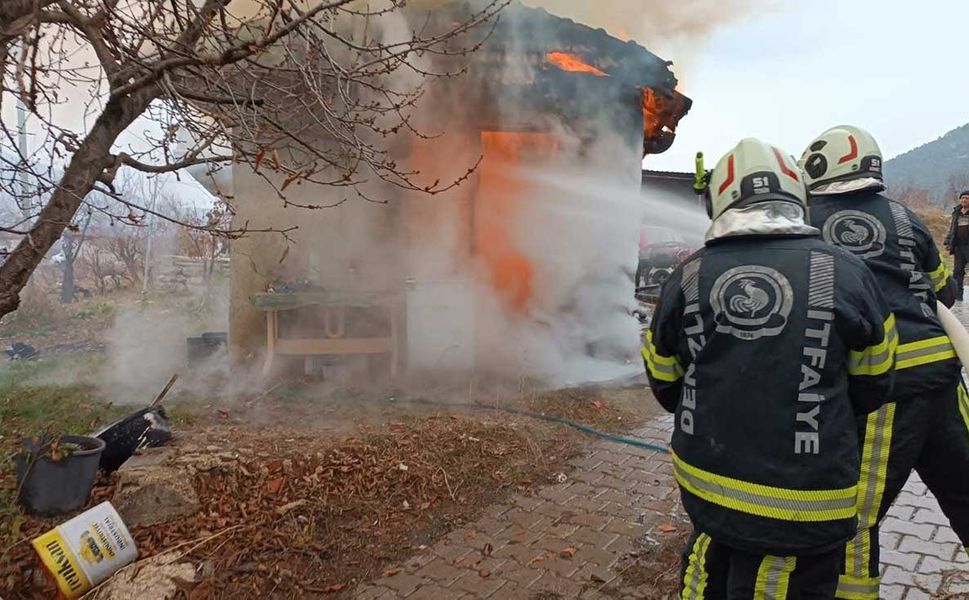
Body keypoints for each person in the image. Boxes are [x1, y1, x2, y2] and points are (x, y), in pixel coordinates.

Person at [644, 138, 897, 599]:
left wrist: (713, 410)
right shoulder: (851, 272)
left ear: (717, 199)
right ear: (798, 196)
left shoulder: (687, 276)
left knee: (706, 579)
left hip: (710, 491)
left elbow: (664, 379)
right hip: (806, 501)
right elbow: (875, 380)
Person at [800, 125, 969, 600]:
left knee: (857, 517)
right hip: (944, 376)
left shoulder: (807, 219)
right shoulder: (904, 215)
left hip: (885, 387)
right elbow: (947, 291)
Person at [943, 191, 969, 300]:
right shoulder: (956, 212)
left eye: (967, 198)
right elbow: (952, 229)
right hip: (958, 246)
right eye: (962, 198)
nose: (964, 200)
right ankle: (957, 297)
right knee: (957, 271)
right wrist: (948, 241)